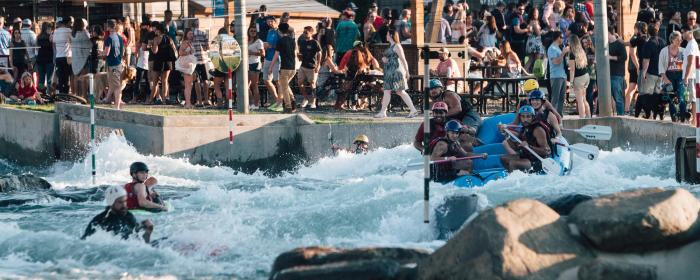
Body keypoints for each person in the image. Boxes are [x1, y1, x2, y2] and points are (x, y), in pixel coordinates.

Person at [82, 185, 154, 243]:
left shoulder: (128, 216)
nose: (124, 205)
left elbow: (140, 243)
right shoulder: (100, 221)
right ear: (111, 203)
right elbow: (84, 242)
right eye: (120, 202)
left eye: (125, 201)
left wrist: (147, 232)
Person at [375, 28, 417, 118]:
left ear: (390, 35)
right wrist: (385, 60)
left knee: (399, 91)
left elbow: (403, 59)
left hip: (396, 72)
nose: (386, 36)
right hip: (390, 72)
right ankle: (383, 111)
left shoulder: (397, 46)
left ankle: (413, 109)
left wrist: (407, 72)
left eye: (387, 34)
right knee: (388, 91)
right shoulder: (391, 46)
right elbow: (392, 58)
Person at [499, 105, 552, 173]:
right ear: (520, 117)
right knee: (503, 158)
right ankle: (513, 175)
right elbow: (516, 148)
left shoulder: (538, 130)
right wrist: (507, 137)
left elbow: (545, 151)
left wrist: (529, 146)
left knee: (513, 163)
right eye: (523, 116)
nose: (525, 119)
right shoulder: (523, 129)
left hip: (538, 160)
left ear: (533, 117)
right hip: (527, 157)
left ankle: (514, 180)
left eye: (528, 116)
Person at [639, 24, 667, 118]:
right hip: (661, 73)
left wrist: (643, 73)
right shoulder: (663, 42)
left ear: (648, 33)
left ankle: (649, 115)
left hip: (651, 73)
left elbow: (646, 60)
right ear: (657, 31)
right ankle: (658, 114)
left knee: (648, 95)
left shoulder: (648, 44)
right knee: (657, 96)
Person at [269, 23, 297, 113]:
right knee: (285, 85)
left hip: (285, 67)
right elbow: (295, 54)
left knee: (283, 87)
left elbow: (276, 55)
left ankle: (288, 107)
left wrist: (271, 67)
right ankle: (293, 101)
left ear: (279, 31)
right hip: (293, 68)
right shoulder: (293, 40)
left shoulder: (280, 41)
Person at [659, 31, 687, 122]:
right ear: (672, 40)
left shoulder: (682, 51)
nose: (680, 42)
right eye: (677, 40)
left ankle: (683, 117)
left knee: (681, 97)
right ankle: (674, 117)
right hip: (669, 75)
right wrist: (666, 79)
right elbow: (661, 67)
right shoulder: (664, 51)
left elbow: (685, 65)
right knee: (670, 98)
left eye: (680, 40)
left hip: (679, 74)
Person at [148, 22, 176, 106]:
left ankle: (150, 100)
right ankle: (165, 100)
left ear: (159, 30)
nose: (155, 32)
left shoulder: (156, 39)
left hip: (158, 61)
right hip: (168, 62)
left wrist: (151, 46)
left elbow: (155, 51)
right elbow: (174, 49)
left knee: (155, 82)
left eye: (156, 30)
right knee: (165, 81)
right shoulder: (169, 38)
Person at [102, 20, 125, 109]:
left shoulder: (108, 38)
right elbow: (122, 51)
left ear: (109, 27)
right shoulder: (120, 37)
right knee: (113, 84)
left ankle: (117, 106)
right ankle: (107, 99)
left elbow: (107, 53)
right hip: (118, 62)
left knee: (116, 86)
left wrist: (101, 53)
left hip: (112, 64)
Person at [297, 26, 321, 109]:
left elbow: (319, 54)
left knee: (312, 84)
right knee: (299, 82)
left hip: (312, 67)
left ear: (311, 33)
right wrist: (298, 56)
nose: (304, 34)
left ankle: (313, 102)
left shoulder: (315, 42)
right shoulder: (302, 42)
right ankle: (306, 98)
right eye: (303, 32)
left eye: (306, 32)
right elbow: (301, 55)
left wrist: (318, 65)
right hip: (303, 65)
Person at [626, 22, 647, 113]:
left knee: (634, 89)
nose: (634, 30)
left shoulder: (638, 38)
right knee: (632, 88)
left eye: (635, 28)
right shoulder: (635, 38)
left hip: (635, 66)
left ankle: (630, 108)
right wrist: (638, 67)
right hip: (635, 66)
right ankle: (627, 109)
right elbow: (632, 54)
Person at [567, 34, 590, 118]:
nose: (567, 43)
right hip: (585, 76)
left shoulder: (572, 54)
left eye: (568, 42)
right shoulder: (581, 51)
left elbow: (572, 70)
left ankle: (582, 120)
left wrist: (571, 82)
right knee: (584, 100)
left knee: (580, 101)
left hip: (578, 78)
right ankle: (589, 117)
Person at [547, 31, 569, 116]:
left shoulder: (559, 47)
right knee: (555, 98)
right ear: (558, 38)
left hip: (563, 75)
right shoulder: (552, 48)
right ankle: (552, 115)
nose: (563, 39)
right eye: (562, 37)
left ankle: (559, 115)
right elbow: (556, 62)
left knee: (562, 98)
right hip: (556, 76)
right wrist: (563, 53)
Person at [263, 17, 282, 111]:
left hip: (277, 59)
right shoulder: (269, 32)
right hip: (268, 58)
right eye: (268, 21)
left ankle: (280, 103)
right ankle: (276, 100)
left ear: (275, 22)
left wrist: (271, 46)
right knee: (266, 80)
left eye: (271, 21)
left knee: (278, 81)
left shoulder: (279, 32)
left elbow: (281, 47)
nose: (269, 23)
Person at [608, 26, 628, 116]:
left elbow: (624, 57)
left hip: (617, 74)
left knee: (618, 97)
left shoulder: (619, 44)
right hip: (608, 74)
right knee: (609, 97)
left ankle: (621, 116)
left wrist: (611, 57)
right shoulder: (606, 45)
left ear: (608, 33)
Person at [191, 20, 209, 107]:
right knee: (205, 80)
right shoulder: (203, 34)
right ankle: (206, 100)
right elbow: (207, 47)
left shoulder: (190, 35)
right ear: (198, 25)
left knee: (196, 81)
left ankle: (199, 101)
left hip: (194, 60)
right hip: (204, 60)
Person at [71, 19, 91, 99]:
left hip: (74, 57)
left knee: (76, 76)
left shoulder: (72, 34)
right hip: (83, 57)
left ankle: (77, 95)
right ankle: (84, 96)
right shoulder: (84, 33)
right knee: (83, 77)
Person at [683, 28, 699, 124]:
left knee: (693, 98)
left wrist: (686, 77)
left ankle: (695, 120)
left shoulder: (692, 45)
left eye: (683, 32)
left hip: (691, 76)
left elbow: (691, 61)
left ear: (689, 32)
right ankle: (694, 119)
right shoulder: (690, 44)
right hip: (691, 75)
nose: (682, 34)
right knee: (692, 98)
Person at [177, 29, 196, 109]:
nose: (191, 35)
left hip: (192, 65)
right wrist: (189, 53)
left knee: (190, 84)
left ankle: (189, 103)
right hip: (186, 66)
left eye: (192, 33)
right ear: (186, 34)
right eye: (189, 33)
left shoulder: (192, 43)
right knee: (188, 84)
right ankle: (188, 103)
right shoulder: (185, 43)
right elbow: (180, 53)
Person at [54, 17, 72, 94]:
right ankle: (66, 92)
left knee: (60, 76)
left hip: (58, 56)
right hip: (67, 56)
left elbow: (54, 44)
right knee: (67, 76)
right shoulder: (69, 31)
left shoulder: (55, 31)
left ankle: (61, 92)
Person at [248, 26, 264, 110]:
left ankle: (256, 104)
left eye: (254, 31)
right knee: (246, 86)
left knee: (254, 85)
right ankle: (250, 103)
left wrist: (252, 53)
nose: (253, 32)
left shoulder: (258, 41)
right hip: (247, 64)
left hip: (255, 63)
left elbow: (263, 54)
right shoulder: (246, 41)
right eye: (251, 30)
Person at [524, 7, 544, 72]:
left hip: (530, 42)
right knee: (537, 60)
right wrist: (543, 31)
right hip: (536, 43)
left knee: (530, 59)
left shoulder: (530, 21)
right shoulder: (534, 22)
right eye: (535, 13)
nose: (537, 14)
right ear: (532, 14)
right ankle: (536, 76)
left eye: (537, 13)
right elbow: (538, 33)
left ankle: (523, 73)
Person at [36, 22, 54, 89]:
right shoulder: (50, 37)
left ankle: (41, 95)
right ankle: (49, 95)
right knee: (49, 80)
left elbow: (37, 48)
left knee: (41, 79)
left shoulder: (38, 37)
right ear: (48, 28)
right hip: (49, 59)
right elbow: (53, 47)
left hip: (40, 59)